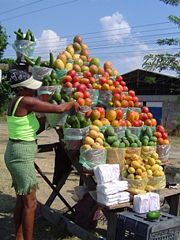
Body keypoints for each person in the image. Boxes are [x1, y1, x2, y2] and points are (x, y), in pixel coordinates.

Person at [4, 69, 80, 240]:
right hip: (21, 155)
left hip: (17, 152)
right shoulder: (26, 100)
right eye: (30, 87)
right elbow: (59, 108)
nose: (33, 90)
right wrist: (71, 103)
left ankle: (19, 236)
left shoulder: (16, 102)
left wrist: (47, 122)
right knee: (31, 204)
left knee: (21, 200)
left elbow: (32, 128)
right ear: (22, 88)